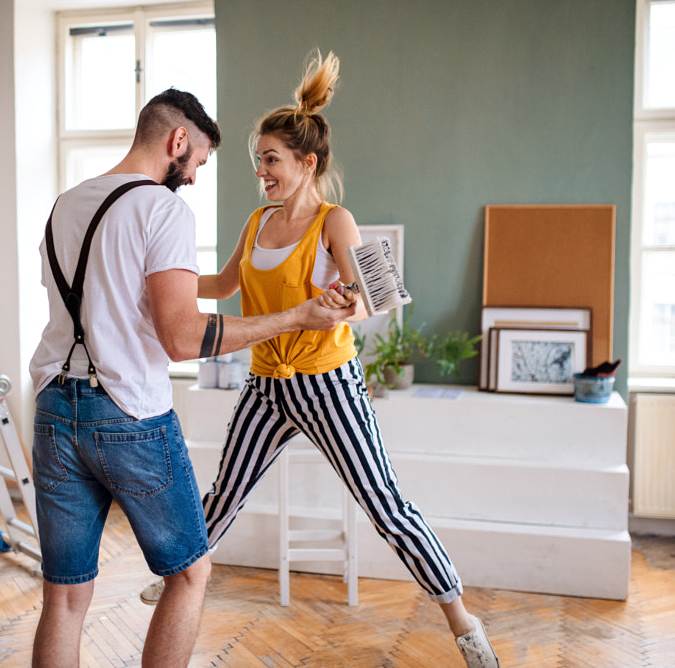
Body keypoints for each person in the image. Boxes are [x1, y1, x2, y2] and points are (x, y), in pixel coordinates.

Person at [139, 54, 500, 667]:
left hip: (329, 384)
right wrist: (155, 277)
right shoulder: (256, 222)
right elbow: (224, 285)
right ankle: (181, 575)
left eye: (271, 159)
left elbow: (374, 302)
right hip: (266, 387)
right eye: (258, 160)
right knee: (224, 494)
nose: (261, 171)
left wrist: (340, 307)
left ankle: (464, 623)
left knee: (386, 507)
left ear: (307, 163)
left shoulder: (337, 221)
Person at [28, 87, 356, 668]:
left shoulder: (66, 204)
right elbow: (182, 338)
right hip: (127, 414)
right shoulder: (162, 208)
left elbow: (113, 295)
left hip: (55, 410)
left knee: (66, 594)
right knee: (188, 573)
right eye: (200, 161)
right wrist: (296, 316)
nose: (197, 178)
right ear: (179, 141)